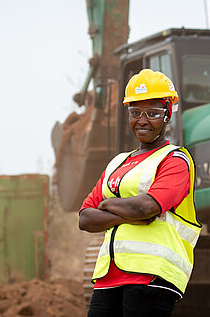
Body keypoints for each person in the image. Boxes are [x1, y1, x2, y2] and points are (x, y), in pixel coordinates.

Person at [78, 69, 201, 317]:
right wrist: (128, 213)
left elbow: (147, 207)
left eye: (153, 113)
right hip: (108, 277)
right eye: (135, 113)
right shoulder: (117, 163)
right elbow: (85, 218)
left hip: (151, 275)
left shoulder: (175, 160)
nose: (142, 120)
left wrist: (108, 204)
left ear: (168, 115)